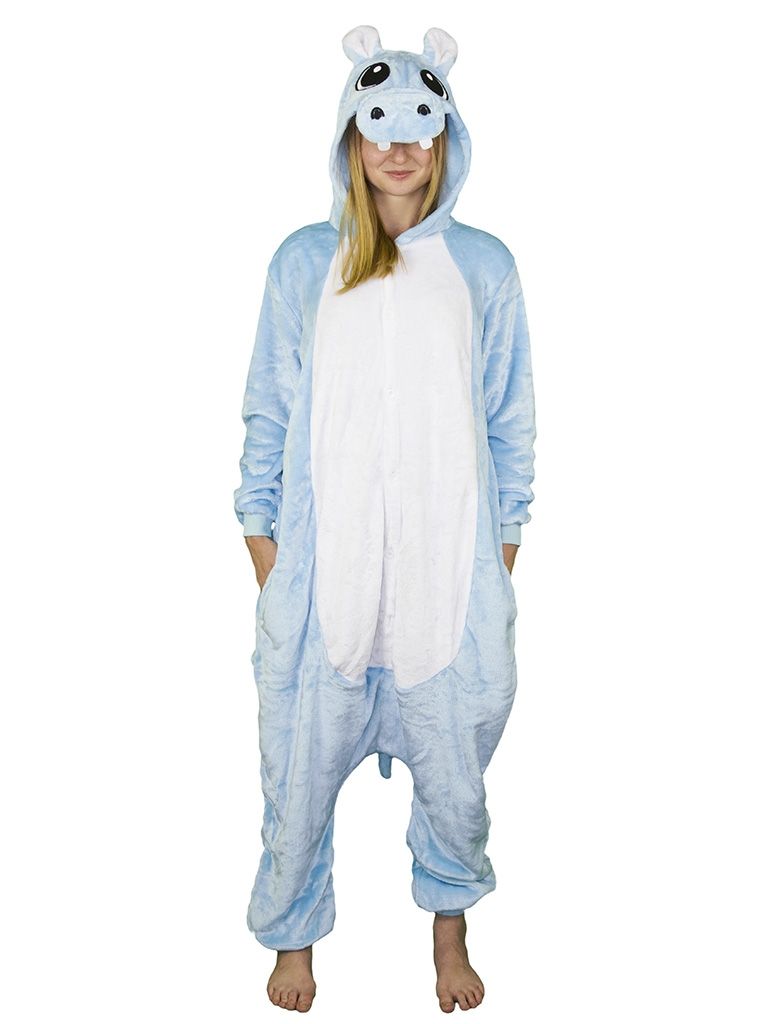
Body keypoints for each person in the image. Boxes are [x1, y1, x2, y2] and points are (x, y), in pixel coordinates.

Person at [233, 24, 537, 1013]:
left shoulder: (483, 267)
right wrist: (269, 554)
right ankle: (294, 940)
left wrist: (499, 558)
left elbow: (508, 418)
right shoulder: (305, 263)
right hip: (327, 578)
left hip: (447, 580)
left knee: (456, 775)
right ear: (350, 138)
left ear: (445, 136)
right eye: (378, 128)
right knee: (297, 773)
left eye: (419, 127)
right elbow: (270, 410)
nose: (399, 148)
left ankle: (449, 933)